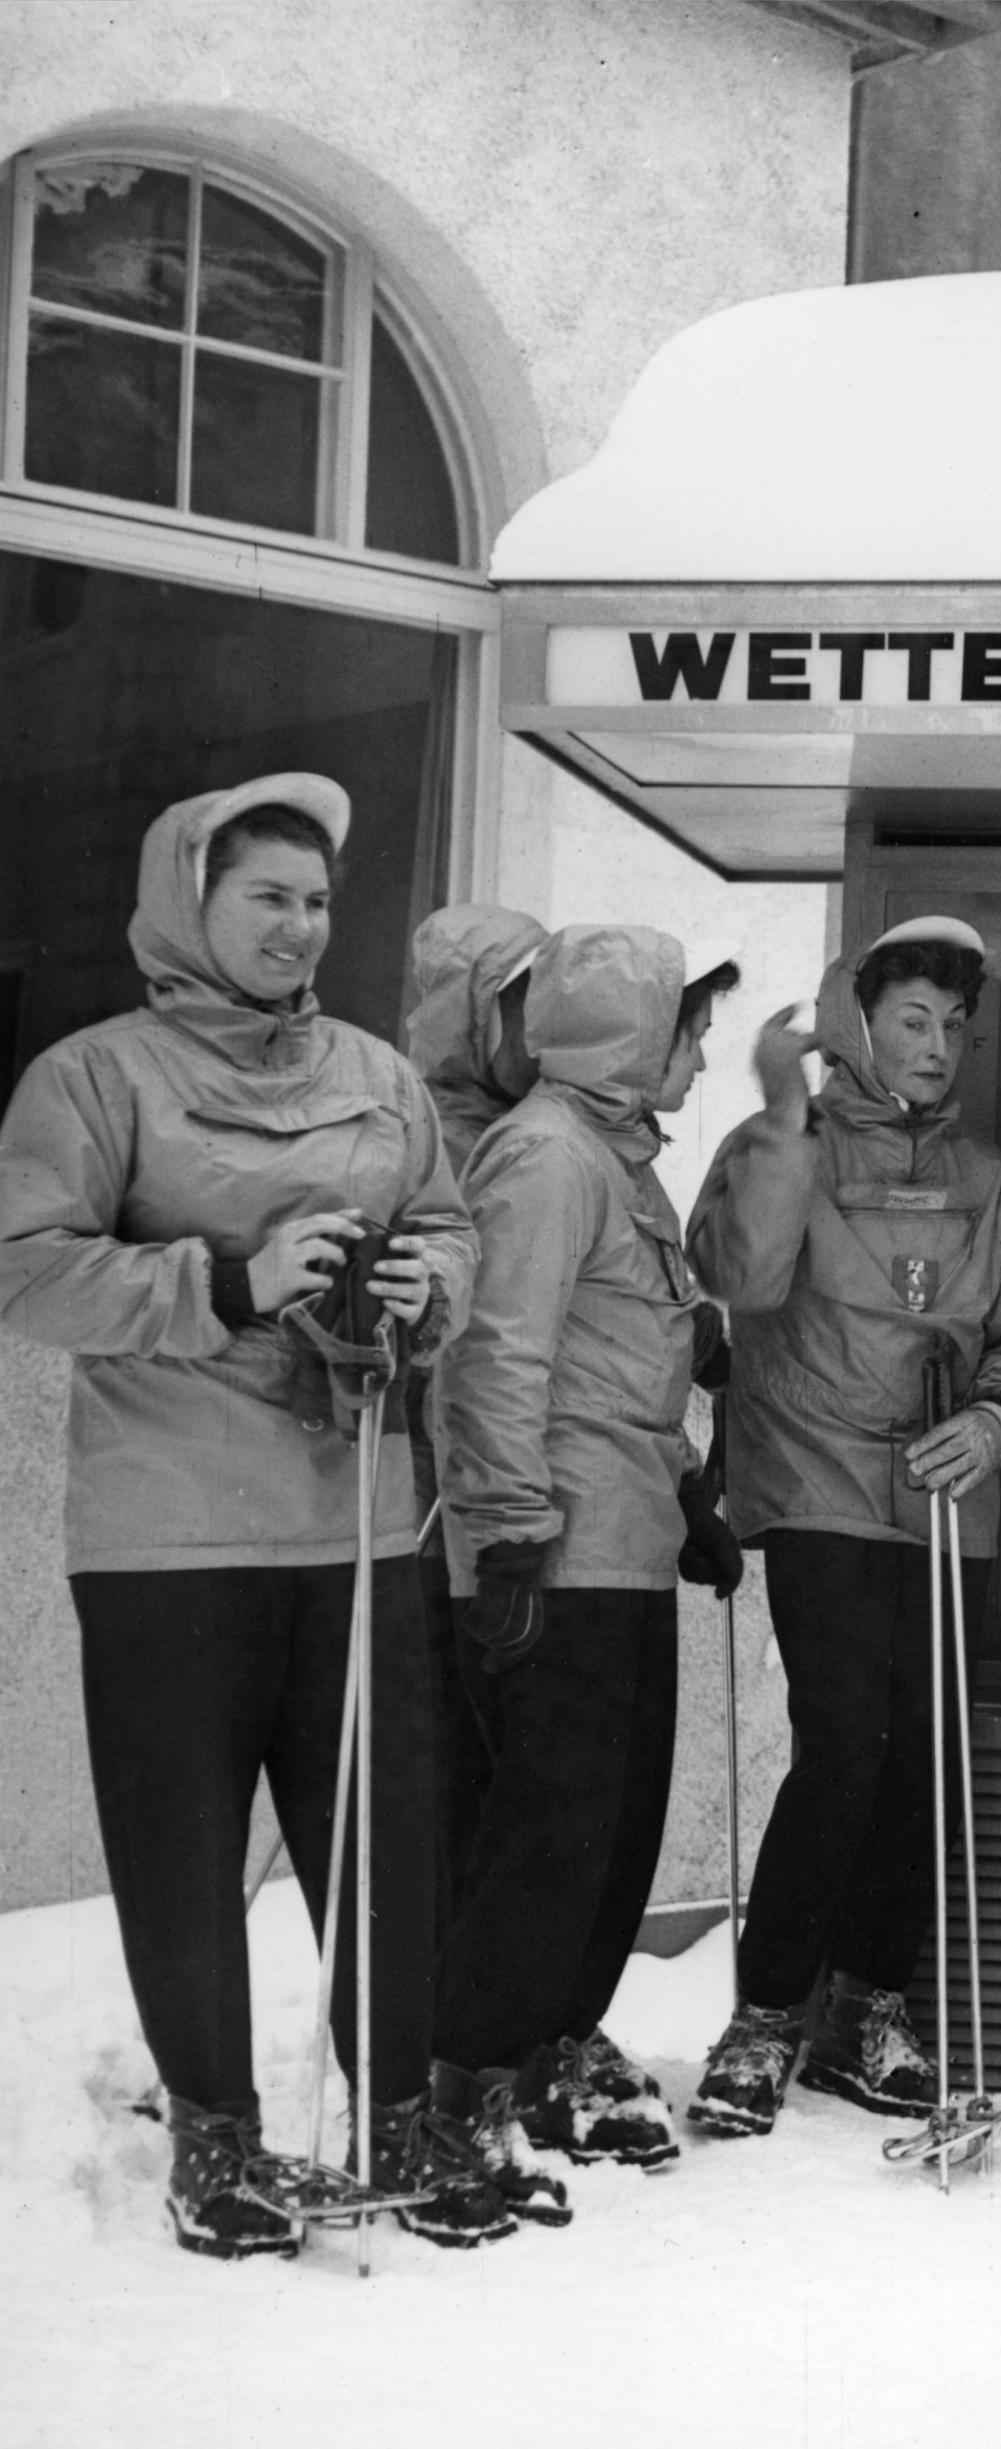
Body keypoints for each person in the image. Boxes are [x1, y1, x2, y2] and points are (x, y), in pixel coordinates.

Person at [0, 774, 504, 2257]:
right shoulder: (93, 1077)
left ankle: (400, 2114)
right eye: (266, 897)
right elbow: (21, 1265)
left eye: (317, 902)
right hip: (173, 1535)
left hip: (355, 1516)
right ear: (189, 901)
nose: (299, 927)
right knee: (182, 1846)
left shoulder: (377, 1072)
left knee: (384, 1842)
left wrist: (436, 1285)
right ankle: (215, 2141)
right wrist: (225, 1281)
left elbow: (452, 1219)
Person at [685, 916, 1001, 2137]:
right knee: (844, 1741)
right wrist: (788, 1119)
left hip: (943, 1494)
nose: (939, 1046)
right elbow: (739, 1278)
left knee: (918, 1758)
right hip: (814, 1481)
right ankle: (762, 2016)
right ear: (858, 1023)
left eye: (954, 1025)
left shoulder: (987, 1181)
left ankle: (866, 2008)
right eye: (912, 1019)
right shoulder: (771, 1142)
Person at [432, 926, 742, 2195]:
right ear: (631, 1034)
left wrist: (687, 1497)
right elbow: (496, 1354)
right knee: (548, 1839)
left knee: (613, 1835)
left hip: (620, 1541)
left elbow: (625, 1369)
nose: (703, 1048)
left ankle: (551, 2048)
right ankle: (458, 2092)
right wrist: (507, 1536)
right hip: (552, 1551)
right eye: (691, 1024)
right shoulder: (549, 1158)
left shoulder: (620, 1162)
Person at [401, 904, 547, 1939]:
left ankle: (513, 2021)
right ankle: (455, 2020)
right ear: (467, 1014)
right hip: (428, 1503)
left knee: (521, 1768)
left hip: (518, 1499)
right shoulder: (408, 1138)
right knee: (450, 1760)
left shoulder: (538, 1133)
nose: (540, 1034)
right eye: (518, 1008)